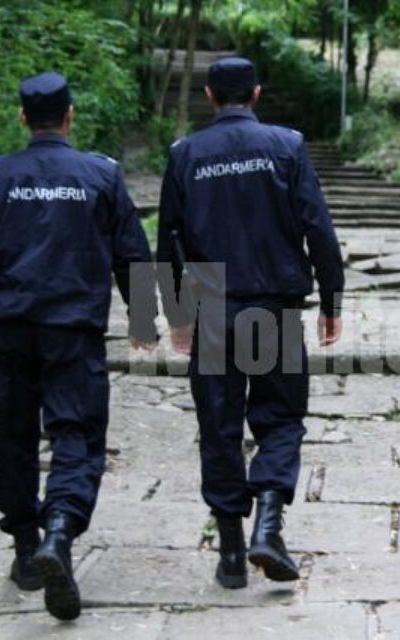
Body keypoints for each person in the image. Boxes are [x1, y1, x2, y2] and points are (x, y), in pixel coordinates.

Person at [0, 72, 157, 621]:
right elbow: (134, 253)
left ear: (22, 118)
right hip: (72, 332)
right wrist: (145, 322)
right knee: (77, 434)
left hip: (9, 331)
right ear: (69, 116)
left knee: (14, 436)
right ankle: (61, 530)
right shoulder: (101, 174)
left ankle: (28, 549)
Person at [157, 57, 344, 589]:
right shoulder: (286, 146)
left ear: (210, 95)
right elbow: (317, 227)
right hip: (272, 306)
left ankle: (233, 554)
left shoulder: (186, 154)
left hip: (213, 306)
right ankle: (268, 525)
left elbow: (168, 236)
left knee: (219, 427)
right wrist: (332, 298)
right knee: (280, 420)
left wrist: (174, 315)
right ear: (256, 94)